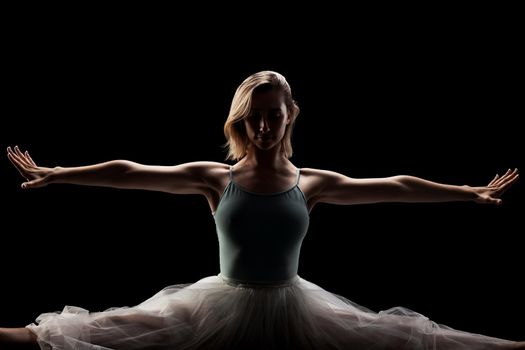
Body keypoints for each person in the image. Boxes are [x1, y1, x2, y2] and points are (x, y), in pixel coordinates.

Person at [2, 70, 523, 350]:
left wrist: (466, 191)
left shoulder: (312, 182)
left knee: (406, 338)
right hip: (218, 303)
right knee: (108, 330)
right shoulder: (217, 178)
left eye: (273, 116)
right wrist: (60, 173)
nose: (264, 128)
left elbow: (397, 187)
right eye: (254, 119)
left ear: (289, 114)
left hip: (296, 305)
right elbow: (130, 171)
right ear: (241, 122)